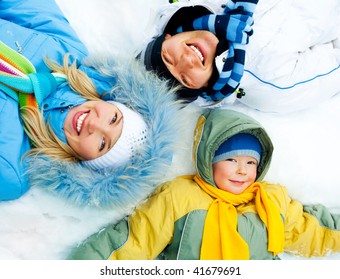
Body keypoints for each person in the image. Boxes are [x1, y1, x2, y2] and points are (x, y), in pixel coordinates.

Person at [67, 109, 340, 260]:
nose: (242, 171)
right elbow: (134, 241)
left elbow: (311, 229)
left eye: (251, 163)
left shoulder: (270, 201)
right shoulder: (180, 196)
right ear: (210, 158)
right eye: (231, 159)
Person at [0, 0, 181, 211]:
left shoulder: (12, 169)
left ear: (86, 164)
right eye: (113, 118)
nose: (94, 124)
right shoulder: (68, 52)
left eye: (102, 144)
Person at [138, 0, 340, 112]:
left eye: (168, 59)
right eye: (184, 79)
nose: (188, 60)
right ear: (203, 87)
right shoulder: (269, 85)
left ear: (167, 37)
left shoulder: (191, 4)